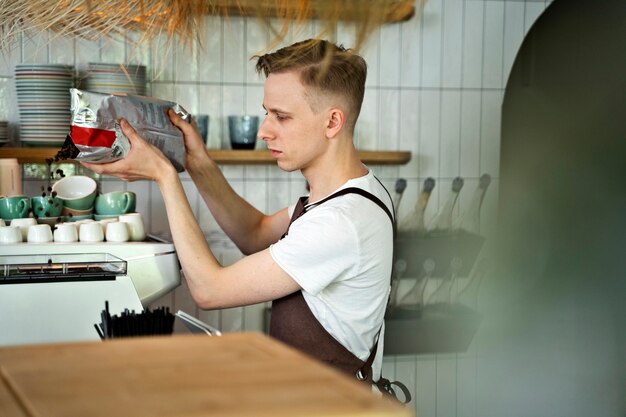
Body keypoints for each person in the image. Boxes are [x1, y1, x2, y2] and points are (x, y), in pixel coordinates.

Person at [83, 39, 396, 391]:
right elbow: (254, 232)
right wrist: (195, 161)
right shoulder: (350, 195)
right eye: (266, 113)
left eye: (282, 116)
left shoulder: (341, 223)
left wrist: (165, 177)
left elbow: (209, 290)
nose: (264, 130)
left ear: (332, 122)